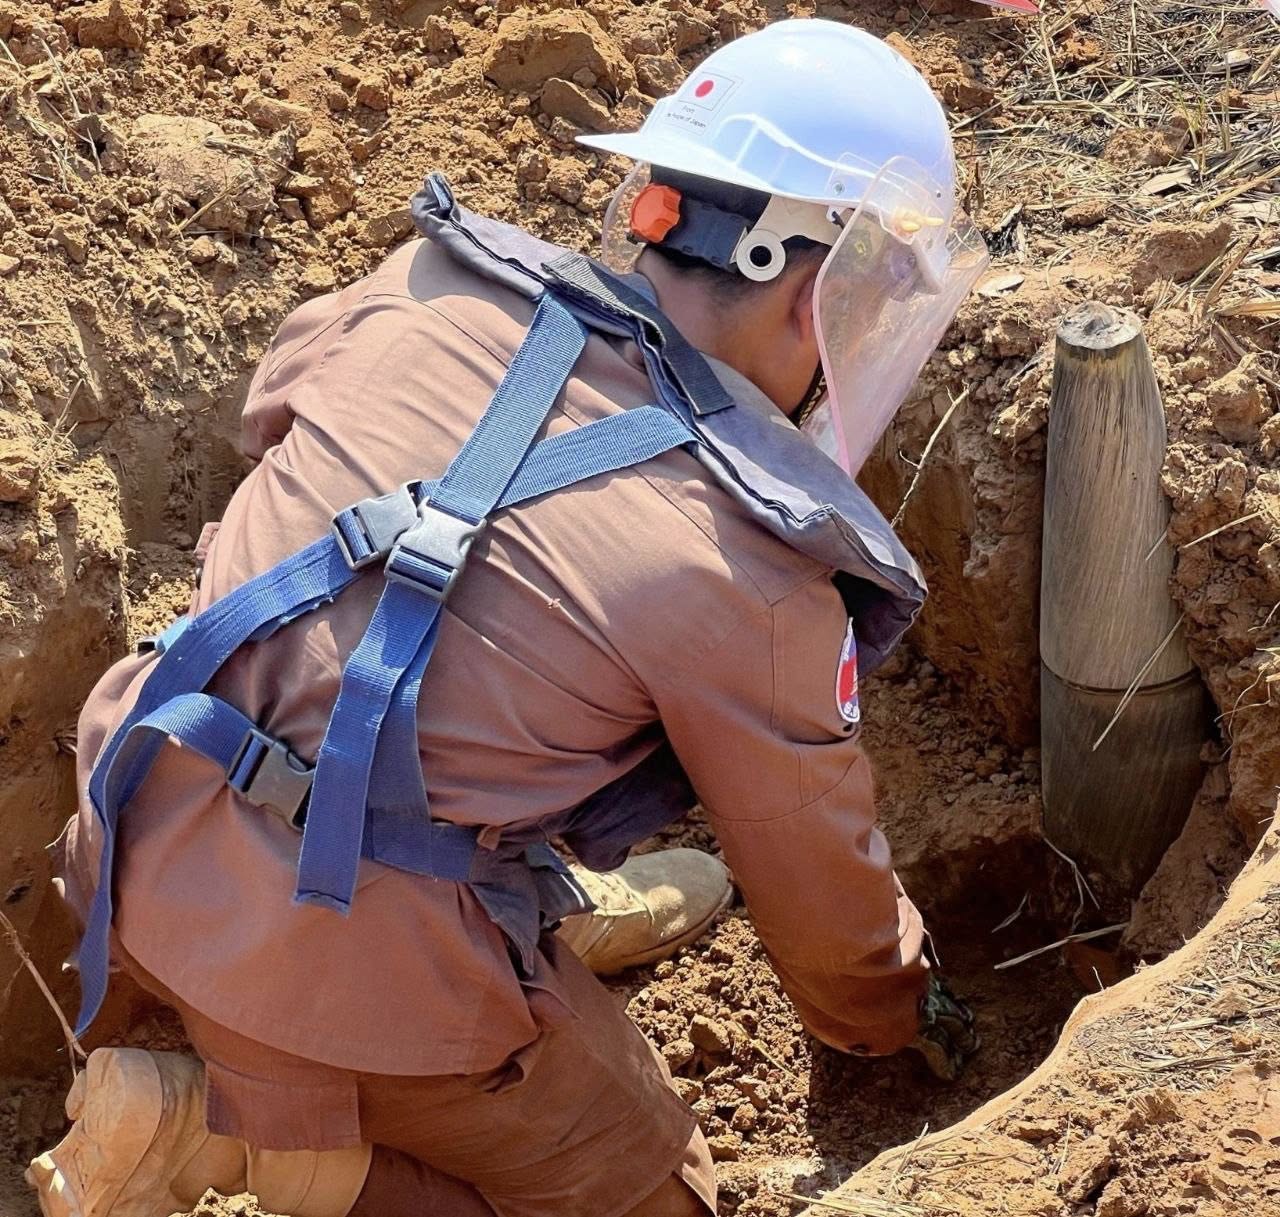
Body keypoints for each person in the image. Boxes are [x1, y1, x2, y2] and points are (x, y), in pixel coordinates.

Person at [30, 19, 988, 1217]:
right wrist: (895, 1011)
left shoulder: (420, 283)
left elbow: (271, 438)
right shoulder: (744, 569)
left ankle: (522, 909)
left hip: (131, 816)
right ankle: (219, 1142)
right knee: (655, 1203)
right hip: (326, 968)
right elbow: (818, 890)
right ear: (814, 294)